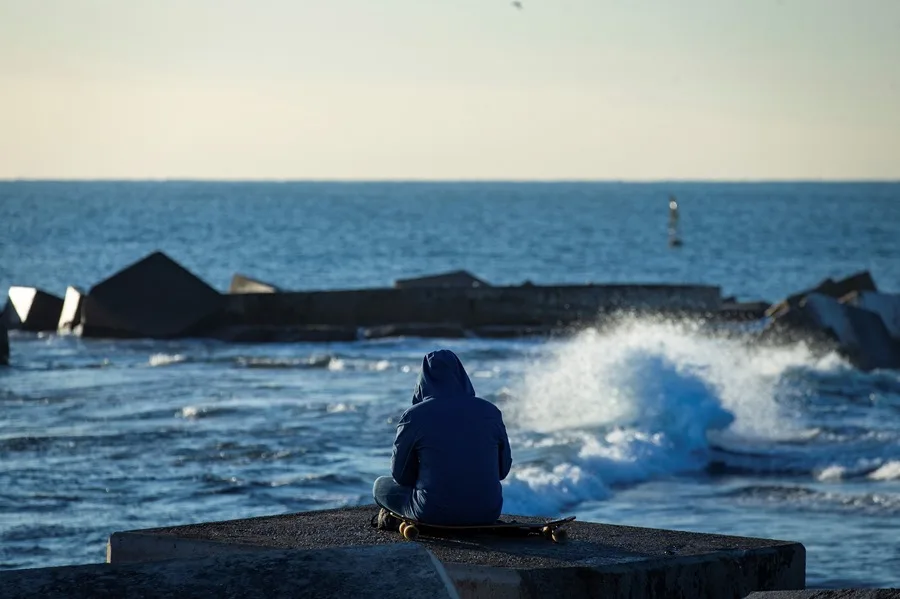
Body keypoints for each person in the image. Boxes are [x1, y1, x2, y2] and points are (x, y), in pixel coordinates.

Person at [373, 349, 513, 526]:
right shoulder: (491, 412)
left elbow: (400, 476)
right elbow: (503, 470)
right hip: (487, 511)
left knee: (380, 486)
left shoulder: (414, 416)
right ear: (461, 375)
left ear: (423, 379)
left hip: (432, 512)